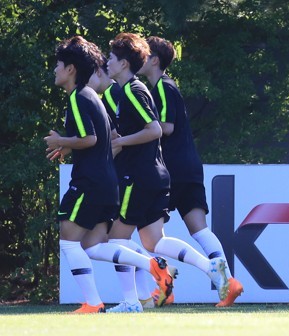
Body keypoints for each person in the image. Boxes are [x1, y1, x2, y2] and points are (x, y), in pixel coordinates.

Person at [45, 35, 173, 314]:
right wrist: (69, 145)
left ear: (71, 69)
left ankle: (93, 302)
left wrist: (63, 142)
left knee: (68, 239)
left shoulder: (79, 97)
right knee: (93, 246)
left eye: (58, 64)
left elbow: (89, 139)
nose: (54, 70)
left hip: (89, 182)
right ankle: (151, 265)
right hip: (107, 183)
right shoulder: (95, 97)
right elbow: (106, 136)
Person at [105, 32, 229, 312]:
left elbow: (156, 129)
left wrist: (119, 142)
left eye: (111, 58)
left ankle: (130, 302)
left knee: (115, 240)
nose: (107, 62)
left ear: (124, 64)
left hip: (138, 176)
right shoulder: (129, 90)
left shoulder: (133, 91)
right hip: (155, 175)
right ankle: (209, 266)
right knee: (153, 240)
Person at [137, 36, 244, 307]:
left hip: (171, 169)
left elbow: (167, 127)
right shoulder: (167, 86)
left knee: (146, 236)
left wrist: (132, 133)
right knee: (199, 229)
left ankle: (163, 286)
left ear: (155, 60)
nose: (140, 58)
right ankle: (228, 283)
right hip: (189, 166)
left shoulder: (161, 86)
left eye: (144, 54)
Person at [87, 59, 176, 309]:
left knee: (111, 241)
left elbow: (144, 132)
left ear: (98, 72)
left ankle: (134, 296)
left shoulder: (120, 92)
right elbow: (115, 138)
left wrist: (110, 154)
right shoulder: (114, 95)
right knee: (127, 241)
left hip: (133, 176)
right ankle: (145, 294)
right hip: (131, 175)